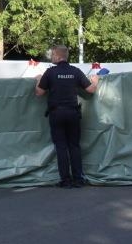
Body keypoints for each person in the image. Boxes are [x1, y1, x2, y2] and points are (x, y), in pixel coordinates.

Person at [35, 45, 99, 188]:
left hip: (56, 113)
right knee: (74, 146)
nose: (51, 58)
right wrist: (95, 80)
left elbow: (39, 92)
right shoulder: (75, 71)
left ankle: (65, 180)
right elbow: (91, 90)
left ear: (57, 57)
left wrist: (38, 79)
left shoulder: (50, 72)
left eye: (52, 55)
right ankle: (78, 179)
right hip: (72, 113)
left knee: (61, 147)